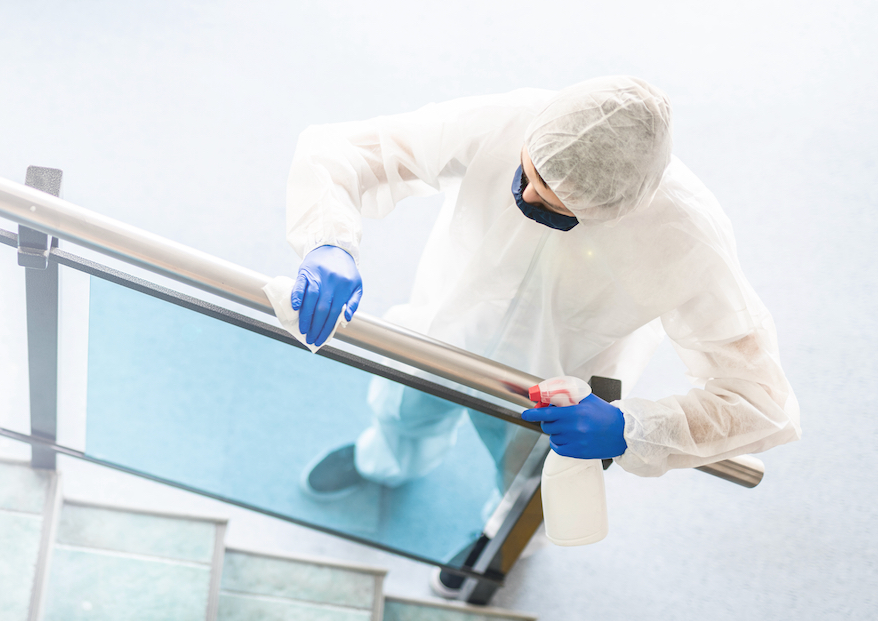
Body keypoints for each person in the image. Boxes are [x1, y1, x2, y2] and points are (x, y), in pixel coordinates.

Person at [285, 76, 801, 587]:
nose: (527, 194)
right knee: (401, 410)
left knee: (525, 483)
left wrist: (631, 428)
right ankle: (382, 464)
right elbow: (348, 150)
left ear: (614, 209)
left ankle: (499, 540)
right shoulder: (508, 121)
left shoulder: (686, 236)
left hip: (554, 392)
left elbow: (761, 400)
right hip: (443, 335)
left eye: (553, 201)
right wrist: (329, 240)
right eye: (528, 172)